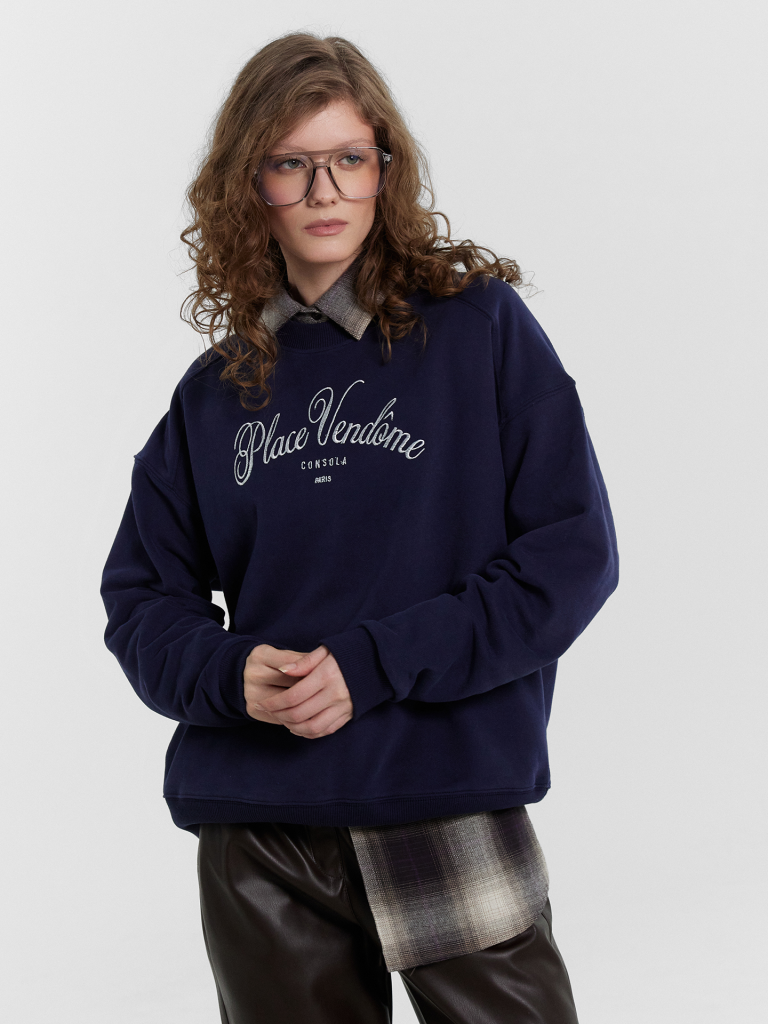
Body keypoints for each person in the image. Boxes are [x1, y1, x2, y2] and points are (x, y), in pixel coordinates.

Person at [101, 31, 619, 1024]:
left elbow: (571, 555)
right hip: (262, 828)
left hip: (441, 794)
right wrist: (229, 675)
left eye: (349, 158)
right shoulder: (214, 394)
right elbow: (141, 601)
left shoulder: (478, 330)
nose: (324, 190)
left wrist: (375, 663)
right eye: (290, 165)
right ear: (250, 185)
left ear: (386, 168)